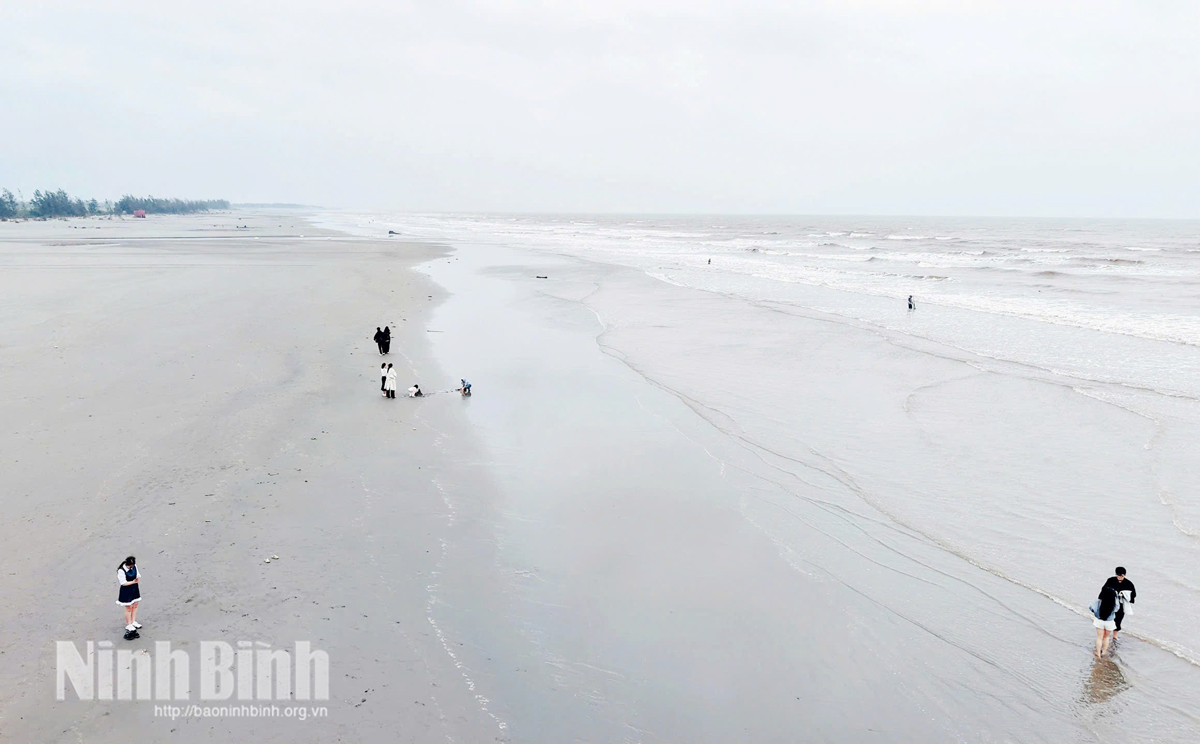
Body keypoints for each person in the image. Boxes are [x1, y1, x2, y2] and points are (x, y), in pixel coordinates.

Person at [1103, 567, 1137, 641]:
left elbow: (1133, 595)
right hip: (1110, 602)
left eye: (1121, 575)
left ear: (1124, 575)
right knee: (1107, 618)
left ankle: (1115, 636)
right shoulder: (1111, 580)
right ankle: (1106, 634)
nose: (1119, 577)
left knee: (1118, 619)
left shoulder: (1129, 584)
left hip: (1121, 604)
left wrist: (1124, 595)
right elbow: (1104, 590)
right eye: (1117, 575)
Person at [1091, 580, 1119, 657]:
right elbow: (1117, 609)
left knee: (1099, 638)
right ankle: (1104, 651)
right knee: (1106, 637)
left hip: (1099, 621)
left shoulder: (1099, 602)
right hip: (1109, 622)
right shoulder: (1114, 603)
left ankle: (1098, 653)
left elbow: (1091, 608)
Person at [117, 556, 141, 640]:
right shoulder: (121, 570)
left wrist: (136, 579)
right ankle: (128, 624)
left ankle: (133, 621)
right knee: (128, 608)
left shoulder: (134, 566)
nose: (132, 567)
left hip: (134, 588)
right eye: (131, 566)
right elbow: (123, 583)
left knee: (135, 604)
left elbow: (137, 574)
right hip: (126, 590)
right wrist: (133, 582)